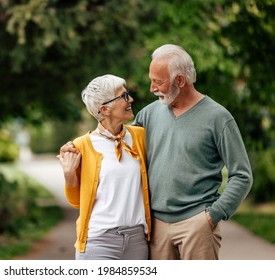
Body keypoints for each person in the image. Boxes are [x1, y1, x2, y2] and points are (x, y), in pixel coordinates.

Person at [61, 44, 253, 260]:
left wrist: (213, 215)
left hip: (197, 223)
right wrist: (76, 149)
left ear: (180, 81)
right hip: (155, 228)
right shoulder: (148, 115)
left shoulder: (218, 118)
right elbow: (114, 139)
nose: (152, 88)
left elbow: (242, 175)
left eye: (158, 82)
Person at [56, 74, 151, 260]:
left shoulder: (140, 137)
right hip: (99, 242)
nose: (130, 99)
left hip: (137, 241)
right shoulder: (82, 145)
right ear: (105, 109)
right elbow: (76, 202)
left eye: (128, 94)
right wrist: (68, 173)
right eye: (123, 96)